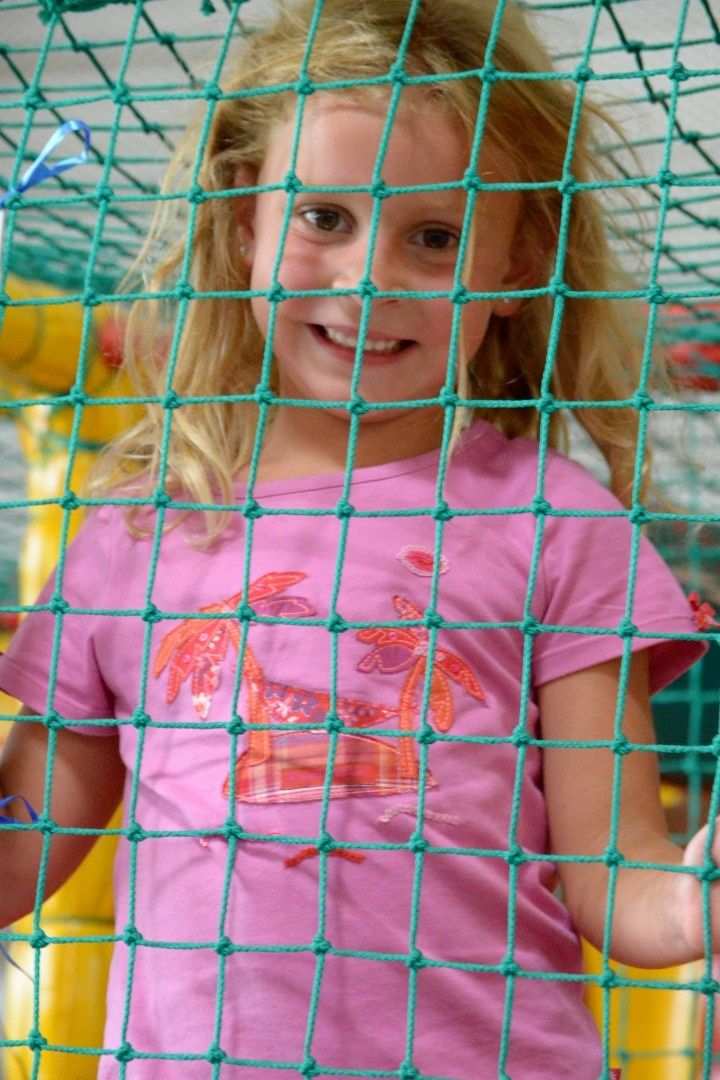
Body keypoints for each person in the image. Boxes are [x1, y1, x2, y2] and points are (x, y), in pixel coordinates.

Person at [0, 0, 713, 1076]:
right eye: (324, 217)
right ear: (244, 220)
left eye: (433, 237)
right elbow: (23, 851)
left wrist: (697, 899)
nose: (366, 277)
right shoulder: (138, 530)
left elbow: (621, 880)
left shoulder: (556, 522)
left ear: (518, 264)